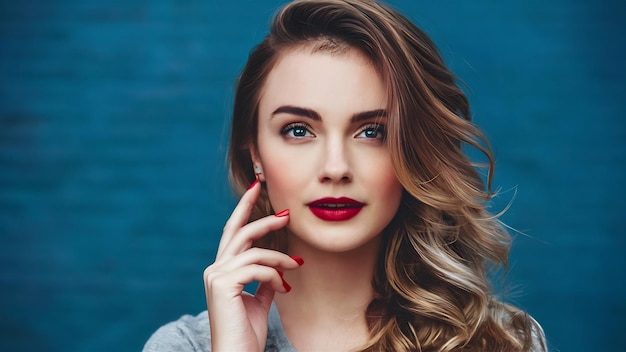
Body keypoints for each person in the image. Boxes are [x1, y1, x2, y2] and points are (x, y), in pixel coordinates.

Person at [143, 0, 547, 351]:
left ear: (415, 151)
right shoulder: (185, 347)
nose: (335, 168)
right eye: (298, 130)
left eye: (372, 132)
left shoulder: (503, 340)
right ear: (255, 154)